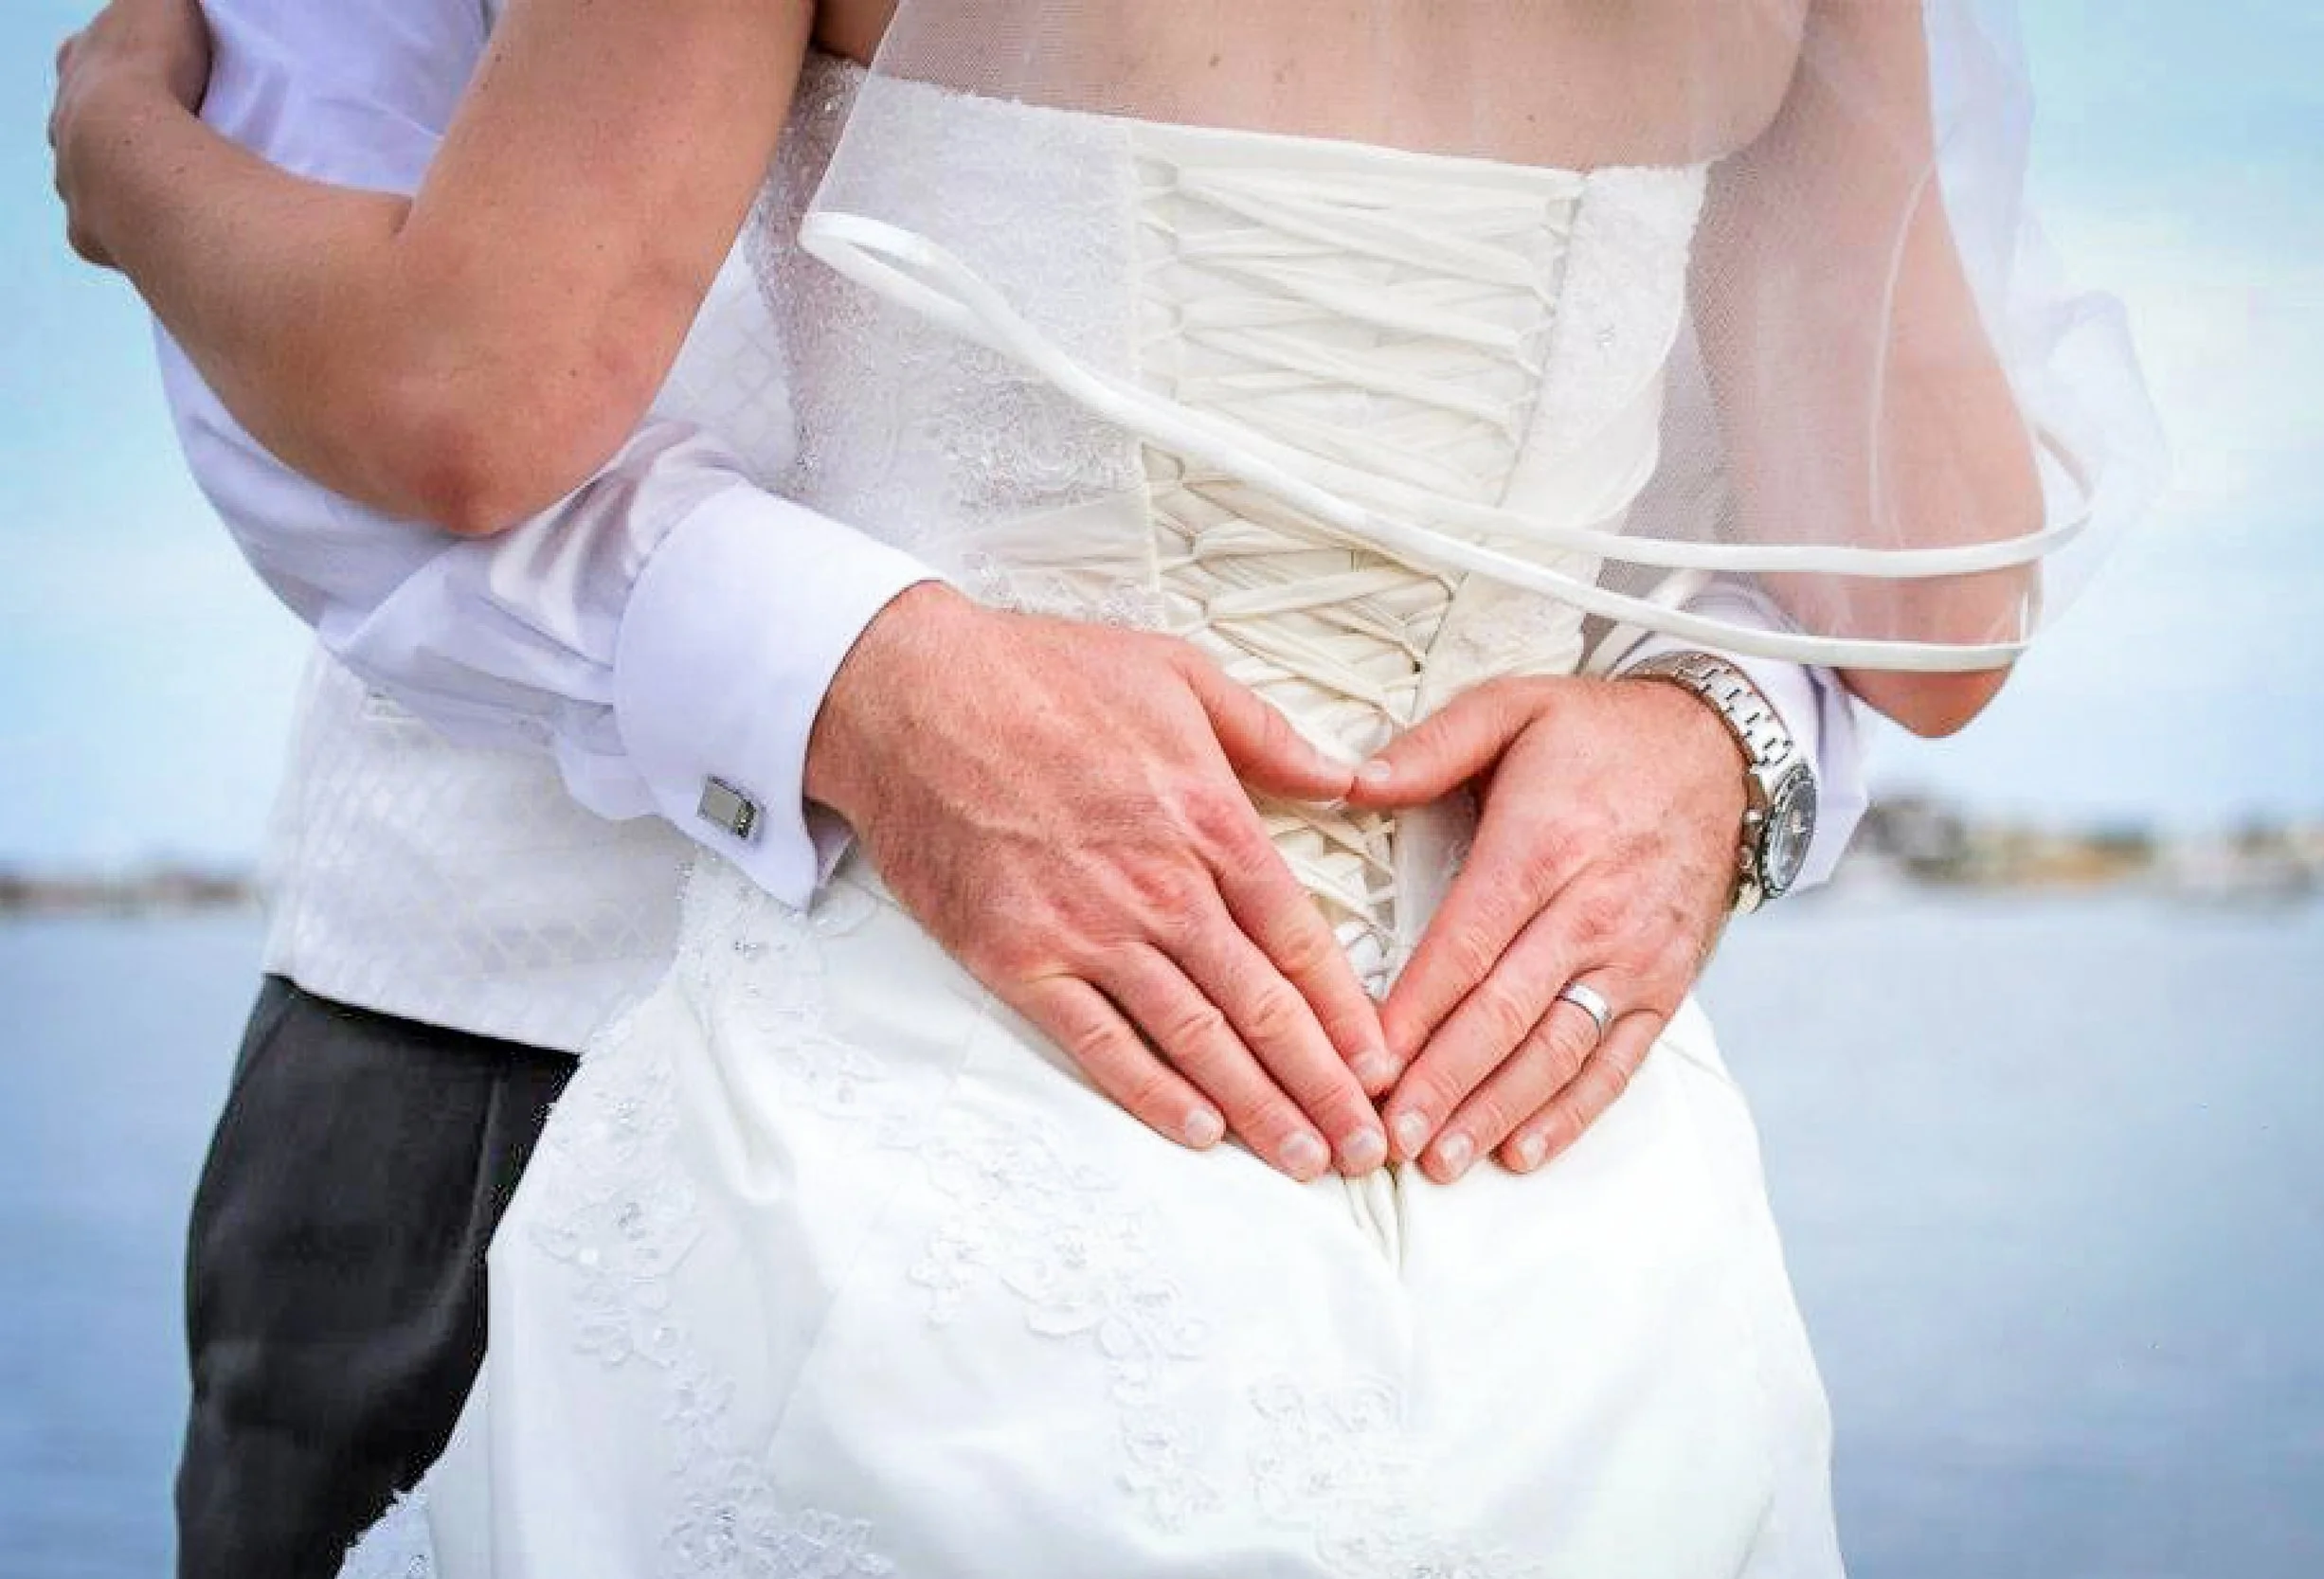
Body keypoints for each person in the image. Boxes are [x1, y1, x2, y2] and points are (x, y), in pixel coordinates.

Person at [48, 0, 2152, 1573]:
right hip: (1537, 1202)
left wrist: (132, 160)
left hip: (900, 1145)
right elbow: (1938, 597)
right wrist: (841, 671)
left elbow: (457, 389)